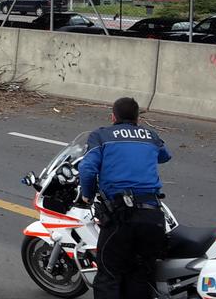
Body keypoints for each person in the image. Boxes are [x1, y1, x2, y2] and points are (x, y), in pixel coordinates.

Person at [78, 97, 172, 299]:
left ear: (113, 116)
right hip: (152, 216)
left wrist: (87, 195)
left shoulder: (101, 135)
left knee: (109, 274)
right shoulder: (150, 135)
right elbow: (165, 156)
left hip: (121, 217)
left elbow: (87, 169)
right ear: (137, 118)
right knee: (139, 275)